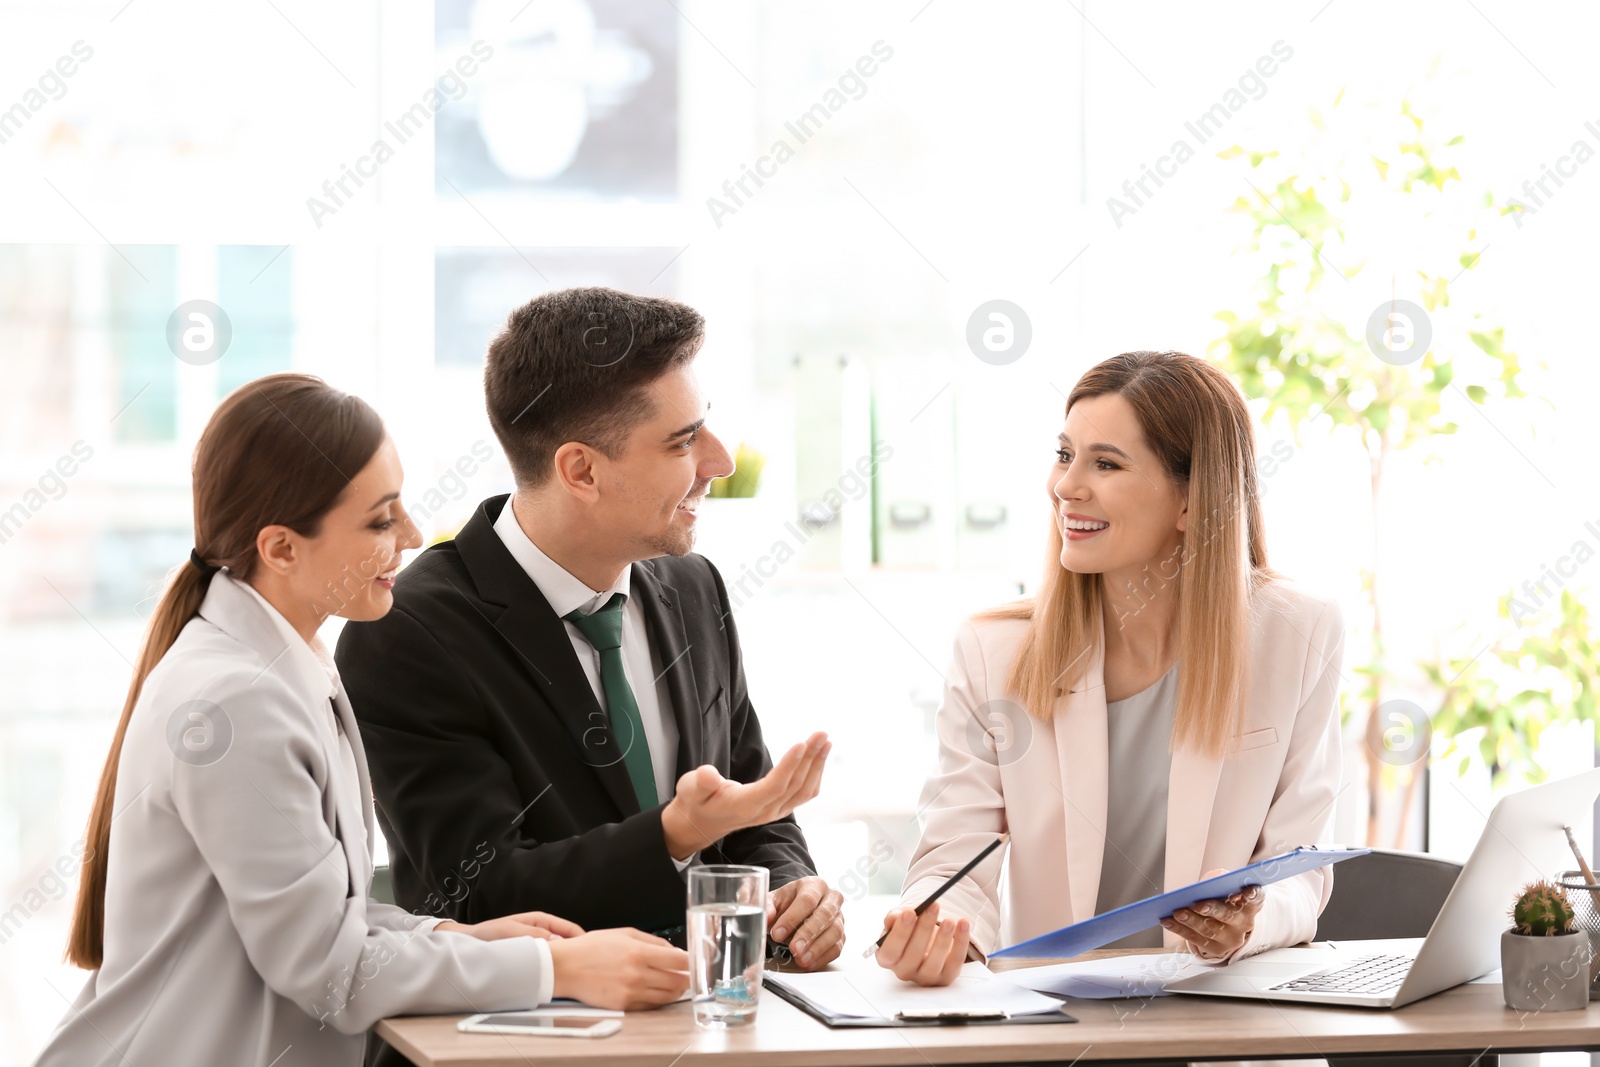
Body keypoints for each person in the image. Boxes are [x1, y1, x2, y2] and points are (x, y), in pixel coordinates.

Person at [35, 374, 688, 1067]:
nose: (410, 535)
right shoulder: (236, 701)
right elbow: (332, 971)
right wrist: (556, 970)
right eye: (381, 519)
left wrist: (457, 937)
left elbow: (325, 912)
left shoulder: (285, 662)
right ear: (282, 547)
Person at [335, 287, 846, 975]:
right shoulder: (410, 631)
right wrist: (673, 834)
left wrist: (790, 890)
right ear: (581, 469)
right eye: (683, 440)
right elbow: (478, 892)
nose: (720, 462)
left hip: (701, 1030)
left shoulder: (695, 588)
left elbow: (752, 811)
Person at [875, 350, 1344, 986]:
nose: (1065, 487)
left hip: (1223, 1019)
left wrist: (1251, 919)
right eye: (1065, 454)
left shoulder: (1298, 633)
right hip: (1057, 1027)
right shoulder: (994, 651)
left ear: (1191, 502)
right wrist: (937, 928)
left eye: (1106, 463)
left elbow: (1301, 865)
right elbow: (957, 856)